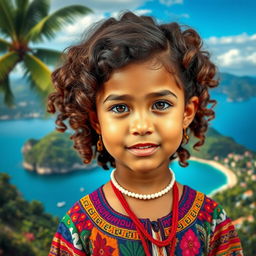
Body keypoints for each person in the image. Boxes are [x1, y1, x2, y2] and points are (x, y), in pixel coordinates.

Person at [47, 11, 243, 256]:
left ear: (187, 112)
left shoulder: (212, 219)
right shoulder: (78, 227)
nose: (141, 126)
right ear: (96, 121)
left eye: (160, 105)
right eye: (120, 108)